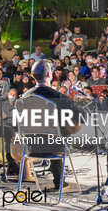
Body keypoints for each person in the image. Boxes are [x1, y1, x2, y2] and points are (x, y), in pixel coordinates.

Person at [22, 60, 82, 189]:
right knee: (59, 132)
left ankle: (58, 179)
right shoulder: (59, 97)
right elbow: (80, 116)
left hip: (31, 147)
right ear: (50, 74)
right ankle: (59, 181)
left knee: (52, 131)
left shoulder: (23, 98)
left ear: (33, 76)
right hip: (55, 147)